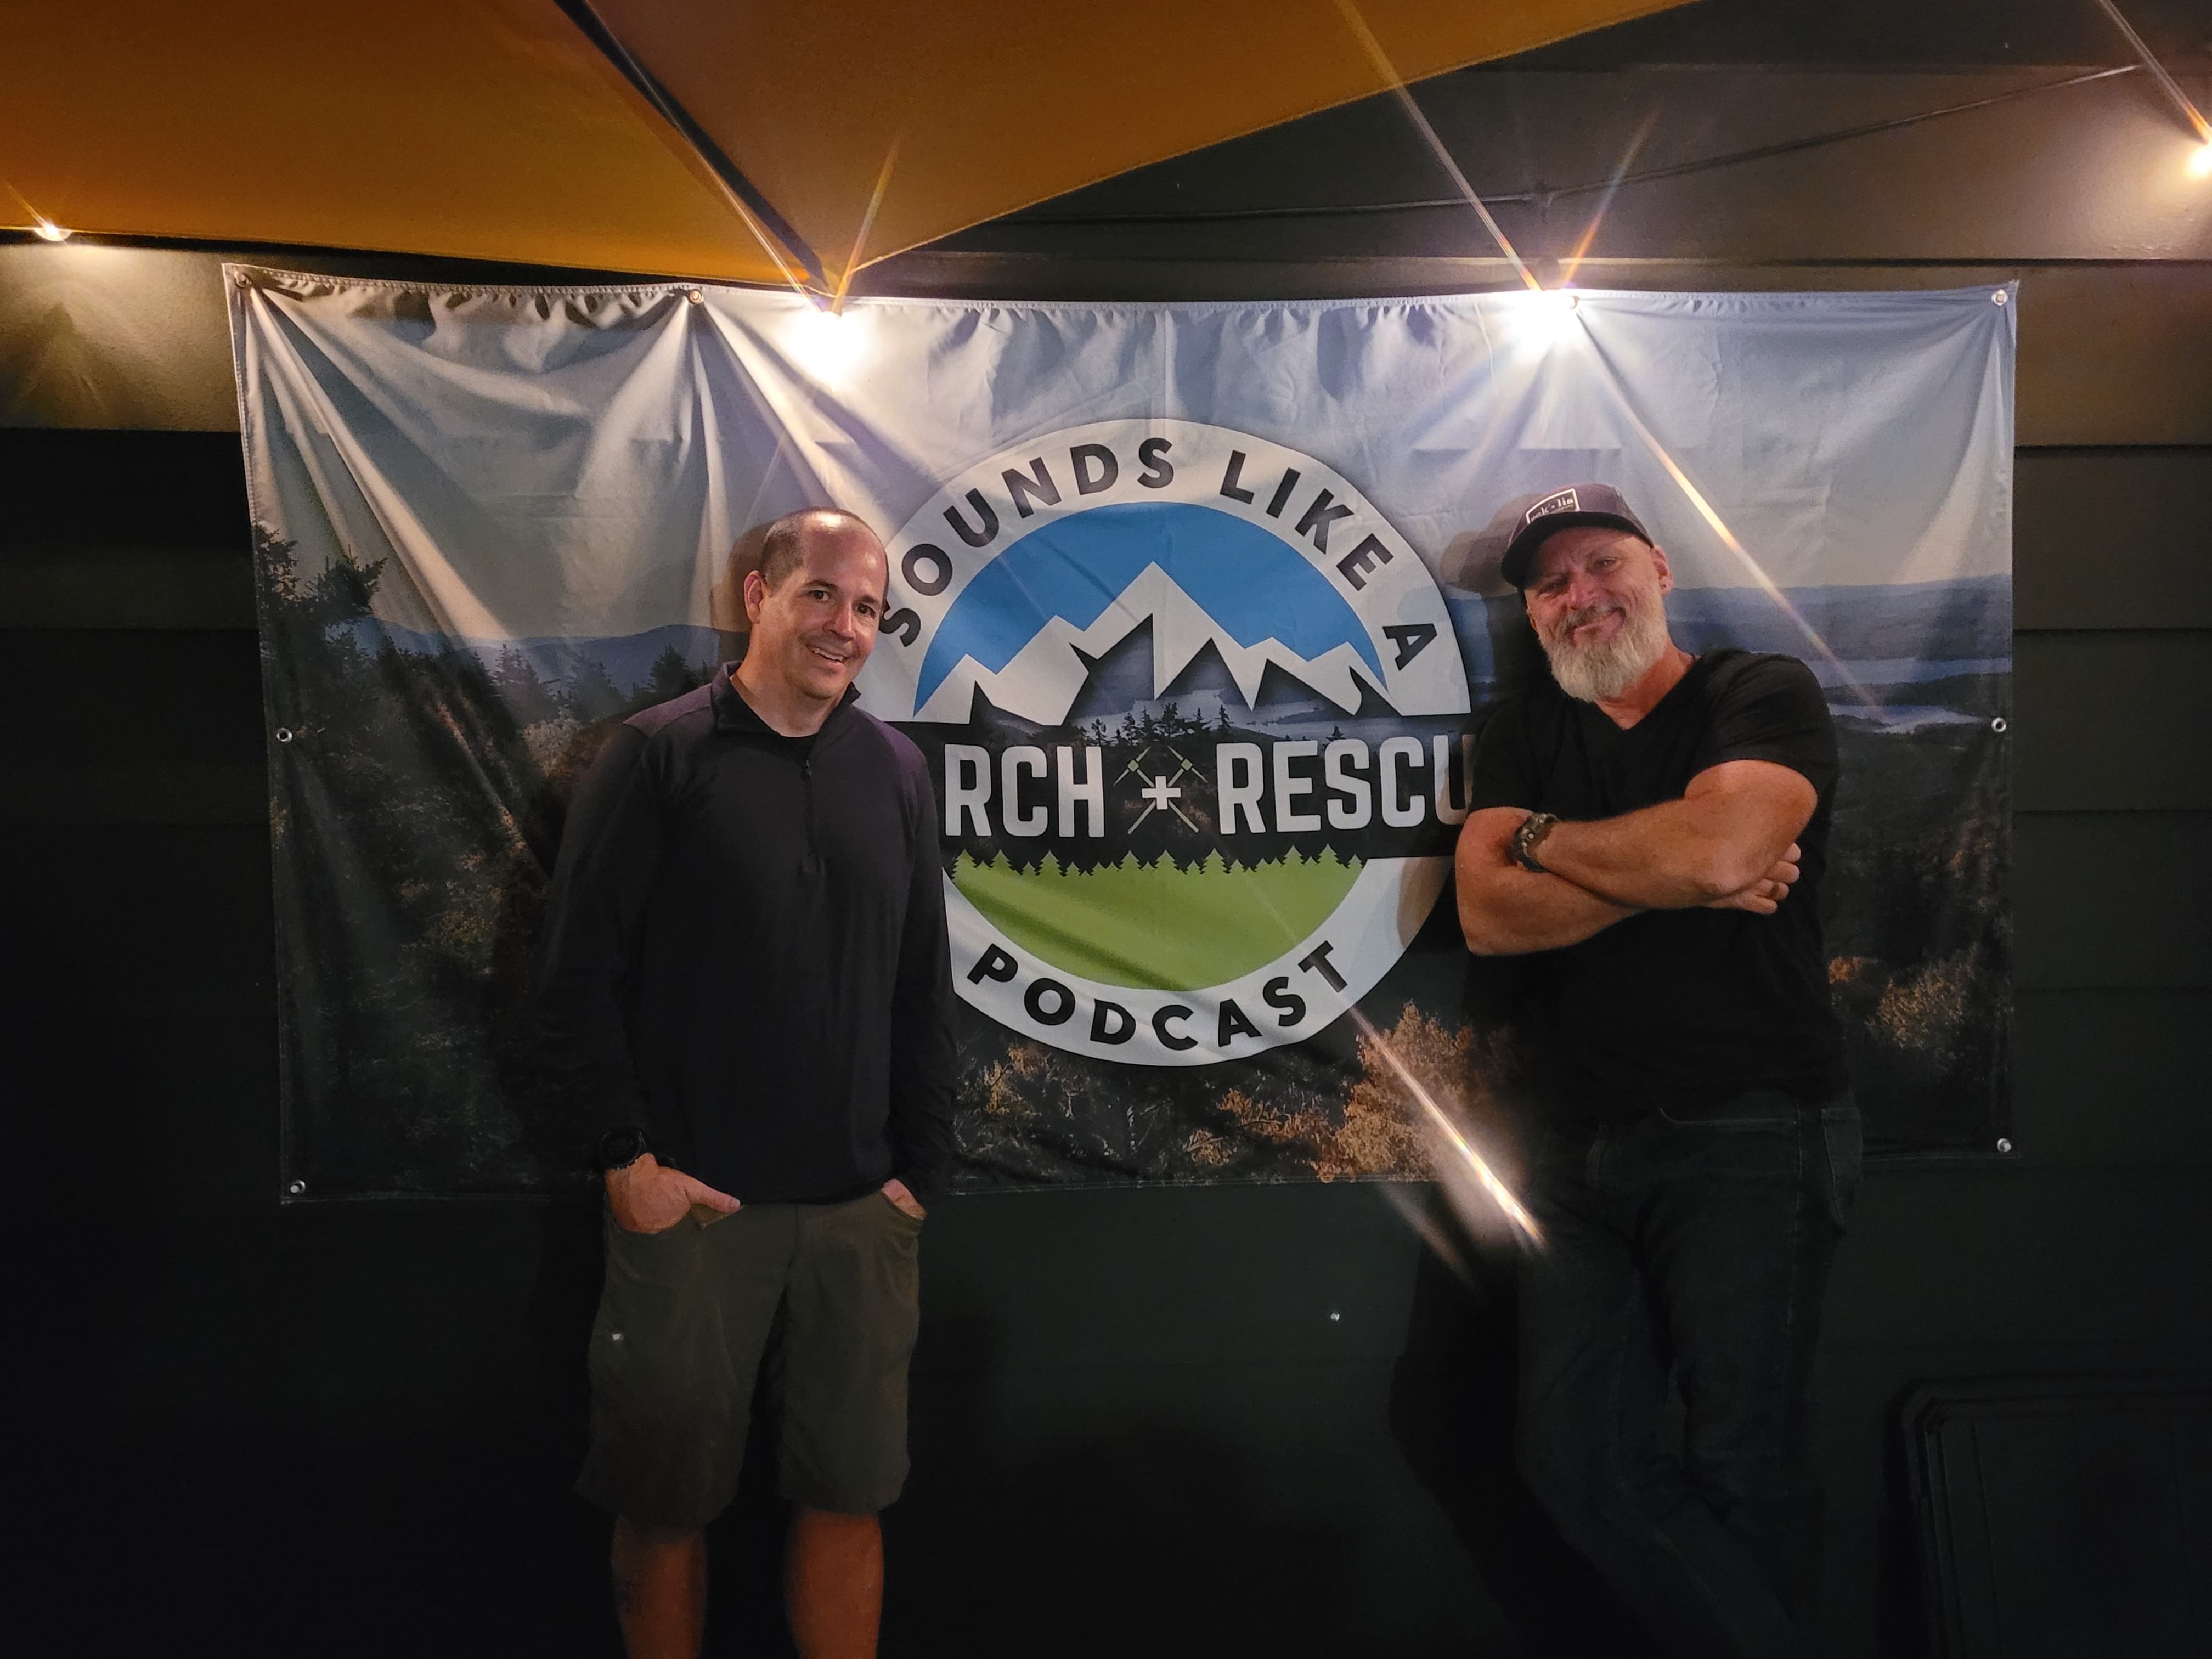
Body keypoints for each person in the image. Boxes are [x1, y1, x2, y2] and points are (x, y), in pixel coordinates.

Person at [534, 507, 957, 1659]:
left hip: (862, 1214)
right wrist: (626, 1163)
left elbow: (922, 982)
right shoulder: (656, 756)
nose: (845, 626)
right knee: (664, 1505)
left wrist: (919, 1176)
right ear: (757, 594)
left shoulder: (898, 770)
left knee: (851, 1496)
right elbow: (573, 979)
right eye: (822, 593)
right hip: (694, 1210)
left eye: (868, 608)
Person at [1453, 483, 1859, 1658]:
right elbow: (1488, 915)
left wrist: (1549, 843)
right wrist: (1673, 873)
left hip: (1753, 1129)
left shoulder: (1757, 691)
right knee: (1576, 1462)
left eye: (1603, 564)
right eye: (1551, 584)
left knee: (1748, 1457)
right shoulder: (1527, 731)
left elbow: (1728, 847)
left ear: (1661, 568)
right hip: (1574, 1148)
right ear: (1533, 613)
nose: (1581, 596)